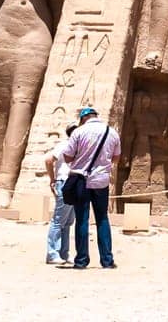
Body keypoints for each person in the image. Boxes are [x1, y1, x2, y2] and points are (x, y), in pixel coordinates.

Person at [58, 105, 121, 270]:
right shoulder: (112, 132)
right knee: (102, 219)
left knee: (82, 220)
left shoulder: (78, 132)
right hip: (101, 180)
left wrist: (82, 157)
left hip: (81, 180)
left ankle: (81, 260)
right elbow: (116, 158)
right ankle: (107, 260)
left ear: (83, 119)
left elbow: (67, 156)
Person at [40, 122, 78, 265]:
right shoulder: (65, 145)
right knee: (58, 220)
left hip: (74, 183)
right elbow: (49, 160)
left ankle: (64, 252)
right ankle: (52, 253)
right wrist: (53, 179)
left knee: (67, 221)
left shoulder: (78, 146)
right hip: (65, 182)